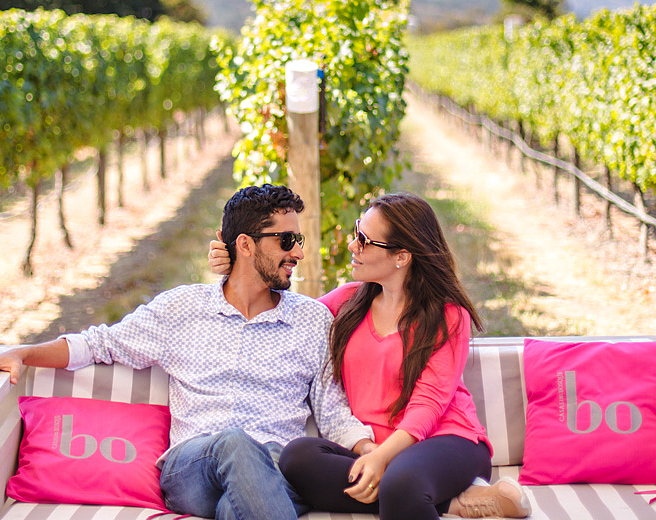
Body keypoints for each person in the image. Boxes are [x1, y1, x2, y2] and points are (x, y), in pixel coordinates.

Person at [0, 184, 374, 520]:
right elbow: (100, 343)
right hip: (192, 469)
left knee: (237, 508)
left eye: (298, 239)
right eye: (287, 241)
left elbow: (331, 409)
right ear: (245, 245)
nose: (299, 253)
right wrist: (22, 352)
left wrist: (372, 452)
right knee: (234, 442)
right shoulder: (181, 309)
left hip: (275, 472)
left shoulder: (312, 321)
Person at [207, 192, 529, 520]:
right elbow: (282, 309)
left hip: (446, 440)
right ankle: (453, 502)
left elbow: (428, 405)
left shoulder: (448, 315)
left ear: (401, 256)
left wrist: (380, 460)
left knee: (401, 483)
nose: (352, 246)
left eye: (364, 240)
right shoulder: (348, 302)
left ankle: (414, 490)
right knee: (296, 459)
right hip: (373, 446)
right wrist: (236, 263)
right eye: (356, 232)